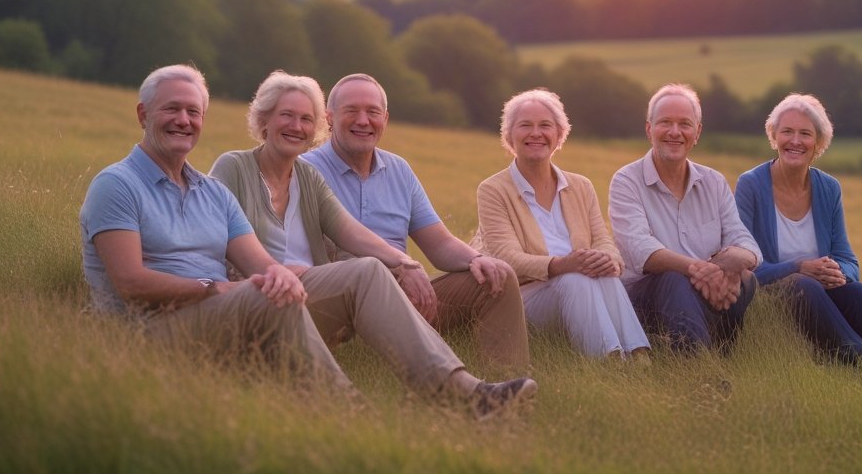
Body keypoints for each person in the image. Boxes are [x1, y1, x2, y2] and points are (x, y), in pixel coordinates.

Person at [80, 64, 533, 417]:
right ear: (143, 114)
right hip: (151, 334)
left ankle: (464, 394)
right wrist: (222, 288)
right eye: (171, 109)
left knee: (364, 270)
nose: (183, 120)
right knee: (268, 294)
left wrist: (292, 276)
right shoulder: (117, 184)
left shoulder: (210, 192)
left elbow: (261, 261)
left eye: (193, 112)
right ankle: (350, 414)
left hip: (224, 314)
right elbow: (131, 284)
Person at [302, 73, 529, 374]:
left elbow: (440, 244)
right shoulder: (305, 171)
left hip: (404, 298)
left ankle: (507, 380)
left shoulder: (399, 170)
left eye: (372, 112)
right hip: (341, 302)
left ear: (385, 118)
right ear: (329, 118)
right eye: (351, 111)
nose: (363, 120)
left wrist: (477, 259)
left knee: (496, 276)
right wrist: (400, 265)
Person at [734, 93, 862, 384]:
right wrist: (798, 267)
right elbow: (746, 263)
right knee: (805, 285)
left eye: (805, 134)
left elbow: (848, 259)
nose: (795, 141)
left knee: (860, 292)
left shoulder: (829, 187)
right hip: (772, 289)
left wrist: (837, 273)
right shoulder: (751, 184)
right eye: (787, 132)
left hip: (820, 288)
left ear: (818, 143)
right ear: (774, 136)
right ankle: (856, 360)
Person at [474, 89, 650, 359]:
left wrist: (608, 259)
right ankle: (608, 361)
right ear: (509, 136)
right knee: (574, 278)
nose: (536, 133)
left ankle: (639, 357)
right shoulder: (493, 190)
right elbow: (506, 258)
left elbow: (603, 239)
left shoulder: (581, 186)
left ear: (559, 135)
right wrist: (561, 265)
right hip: (522, 301)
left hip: (579, 288)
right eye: (525, 126)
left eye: (545, 125)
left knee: (603, 273)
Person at [609, 83, 761, 353]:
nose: (675, 132)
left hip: (707, 293)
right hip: (645, 298)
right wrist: (697, 269)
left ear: (697, 132)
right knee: (673, 279)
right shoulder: (626, 181)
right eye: (665, 122)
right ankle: (696, 364)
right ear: (649, 129)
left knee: (745, 276)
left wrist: (728, 265)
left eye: (685, 124)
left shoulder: (714, 182)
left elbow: (745, 243)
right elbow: (640, 249)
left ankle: (722, 350)